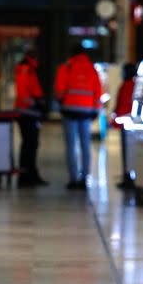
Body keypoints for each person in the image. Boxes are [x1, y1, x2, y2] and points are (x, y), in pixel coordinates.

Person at [55, 44, 103, 190]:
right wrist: (96, 110)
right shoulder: (92, 69)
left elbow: (59, 90)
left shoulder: (66, 67)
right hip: (86, 111)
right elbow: (98, 92)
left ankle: (73, 179)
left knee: (71, 145)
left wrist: (61, 101)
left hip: (69, 110)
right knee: (85, 145)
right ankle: (84, 178)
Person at [14, 48, 48, 187]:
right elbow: (23, 92)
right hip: (27, 112)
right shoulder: (25, 68)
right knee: (29, 144)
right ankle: (26, 175)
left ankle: (30, 173)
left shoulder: (30, 68)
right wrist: (35, 103)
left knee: (31, 144)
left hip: (31, 112)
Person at [114, 63, 137, 188]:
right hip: (132, 122)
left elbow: (122, 103)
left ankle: (128, 177)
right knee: (131, 151)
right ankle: (129, 176)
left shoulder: (126, 86)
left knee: (127, 151)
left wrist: (116, 119)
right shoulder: (135, 85)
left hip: (125, 123)